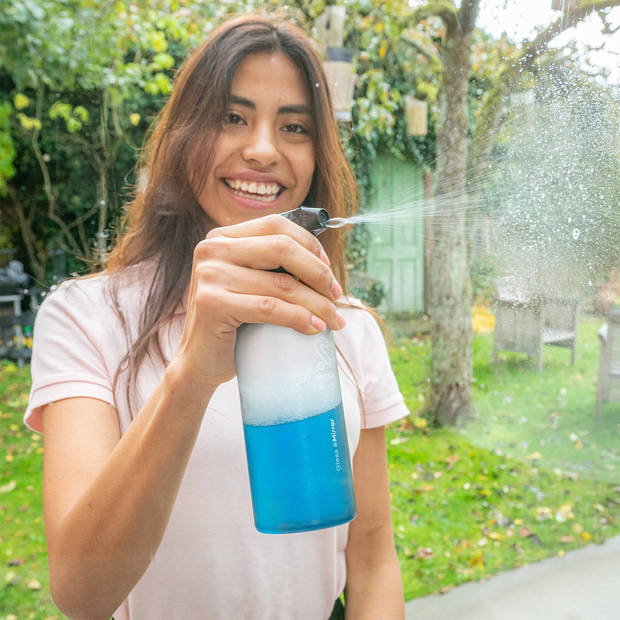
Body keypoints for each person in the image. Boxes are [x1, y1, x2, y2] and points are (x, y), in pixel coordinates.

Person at [25, 14, 409, 620]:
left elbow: (372, 557)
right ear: (184, 135)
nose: (263, 150)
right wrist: (194, 372)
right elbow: (79, 592)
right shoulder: (86, 316)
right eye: (232, 117)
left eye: (295, 126)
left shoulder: (345, 326)